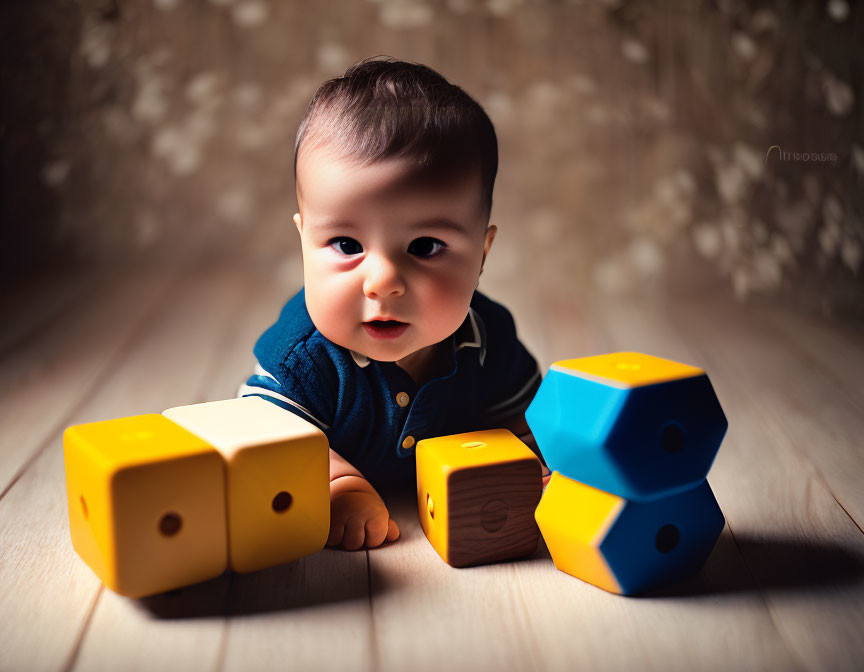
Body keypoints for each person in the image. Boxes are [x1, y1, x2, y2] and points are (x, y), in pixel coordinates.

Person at [239, 56, 546, 551]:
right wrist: (338, 485)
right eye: (345, 245)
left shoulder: (485, 338)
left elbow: (521, 416)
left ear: (482, 255)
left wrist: (531, 462)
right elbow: (264, 433)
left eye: (424, 247)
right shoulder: (307, 357)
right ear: (303, 243)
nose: (382, 282)